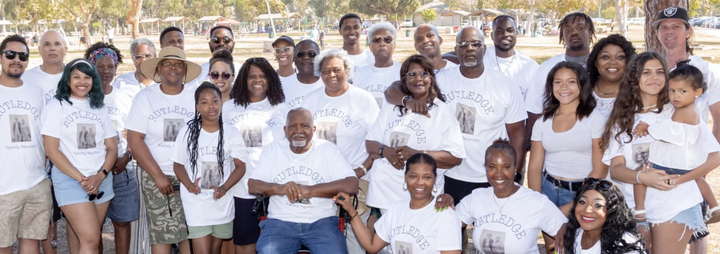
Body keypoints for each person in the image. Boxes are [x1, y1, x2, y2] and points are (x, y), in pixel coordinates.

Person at [384, 26, 527, 206]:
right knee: (453, 229)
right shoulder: (441, 80)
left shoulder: (505, 85)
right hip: (450, 174)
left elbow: (518, 136)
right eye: (463, 44)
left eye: (475, 44)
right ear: (456, 49)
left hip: (491, 175)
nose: (469, 49)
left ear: (484, 48)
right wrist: (408, 101)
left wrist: (515, 175)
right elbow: (392, 90)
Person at [247, 108, 359, 253]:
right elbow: (252, 185)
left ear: (313, 129)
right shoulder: (272, 150)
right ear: (285, 130)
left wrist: (310, 191)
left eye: (305, 126)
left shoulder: (327, 150)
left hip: (321, 221)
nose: (298, 130)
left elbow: (352, 185)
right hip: (280, 221)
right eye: (293, 126)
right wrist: (281, 188)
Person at [366, 54, 465, 216]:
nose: (418, 78)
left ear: (431, 78)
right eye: (411, 74)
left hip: (422, 195)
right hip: (385, 194)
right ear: (404, 79)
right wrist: (385, 151)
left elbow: (455, 157)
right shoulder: (392, 106)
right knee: (391, 239)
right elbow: (371, 142)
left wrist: (418, 154)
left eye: (423, 73)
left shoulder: (442, 112)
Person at [302, 48, 379, 253]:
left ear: (347, 70)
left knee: (354, 240)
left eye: (337, 69)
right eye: (326, 71)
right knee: (327, 240)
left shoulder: (363, 99)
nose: (331, 75)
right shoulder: (311, 100)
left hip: (356, 181)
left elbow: (378, 142)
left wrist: (361, 170)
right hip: (320, 183)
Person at [126, 46, 202, 254]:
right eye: (167, 64)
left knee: (191, 232)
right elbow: (135, 139)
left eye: (178, 64)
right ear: (158, 69)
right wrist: (158, 176)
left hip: (192, 175)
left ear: (185, 70)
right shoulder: (146, 98)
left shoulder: (196, 96)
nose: (173, 68)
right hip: (156, 175)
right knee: (162, 234)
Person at [527, 61, 607, 253]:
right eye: (558, 82)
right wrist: (540, 204)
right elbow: (535, 167)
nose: (564, 87)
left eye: (571, 82)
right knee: (554, 250)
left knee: (577, 248)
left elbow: (601, 169)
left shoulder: (595, 119)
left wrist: (575, 204)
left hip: (583, 193)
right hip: (548, 190)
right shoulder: (543, 122)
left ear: (581, 85)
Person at [600, 52, 676, 252]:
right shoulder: (622, 119)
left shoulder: (676, 112)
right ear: (634, 78)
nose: (654, 77)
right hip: (633, 209)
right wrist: (641, 177)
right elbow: (616, 169)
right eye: (646, 72)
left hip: (671, 206)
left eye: (660, 72)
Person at [42, 58, 118, 254]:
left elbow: (111, 147)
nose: (82, 81)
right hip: (71, 181)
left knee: (86, 237)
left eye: (87, 77)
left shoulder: (99, 106)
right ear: (67, 80)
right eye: (76, 77)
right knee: (91, 239)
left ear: (94, 80)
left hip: (101, 180)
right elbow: (51, 150)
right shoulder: (56, 106)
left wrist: (100, 176)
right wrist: (82, 179)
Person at [631, 61, 720, 224]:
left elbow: (669, 133)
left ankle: (640, 211)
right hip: (687, 164)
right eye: (672, 91)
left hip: (673, 164)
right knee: (698, 179)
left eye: (682, 91)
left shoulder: (684, 112)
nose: (676, 95)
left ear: (697, 92)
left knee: (640, 174)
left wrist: (648, 127)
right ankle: (714, 207)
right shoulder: (689, 111)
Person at [171, 82, 246, 254]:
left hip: (221, 202)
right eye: (204, 102)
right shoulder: (187, 131)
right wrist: (190, 184)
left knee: (215, 250)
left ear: (221, 103)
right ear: (197, 106)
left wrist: (224, 188)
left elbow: (240, 167)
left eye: (214, 101)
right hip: (196, 203)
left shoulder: (231, 132)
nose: (210, 106)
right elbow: (178, 164)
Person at [455, 139, 568, 253]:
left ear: (515, 168)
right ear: (486, 169)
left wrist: (566, 228)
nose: (499, 174)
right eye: (492, 167)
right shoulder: (477, 197)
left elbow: (569, 232)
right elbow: (447, 224)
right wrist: (446, 200)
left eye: (506, 167)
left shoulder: (536, 202)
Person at [335, 153, 462, 253]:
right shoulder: (397, 209)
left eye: (427, 177)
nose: (420, 182)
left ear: (435, 180)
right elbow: (372, 246)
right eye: (413, 176)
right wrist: (351, 210)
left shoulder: (444, 214)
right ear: (405, 178)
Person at [223, 57, 287, 254]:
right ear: (243, 79)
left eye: (262, 76)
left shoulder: (282, 108)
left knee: (274, 243)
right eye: (252, 76)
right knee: (244, 242)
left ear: (271, 80)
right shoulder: (228, 108)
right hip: (241, 187)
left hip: (275, 185)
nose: (257, 80)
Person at [84, 42, 141, 254]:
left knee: (122, 222)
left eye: (111, 66)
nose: (106, 71)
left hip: (122, 170)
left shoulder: (126, 97)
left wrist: (126, 156)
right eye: (100, 66)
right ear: (91, 67)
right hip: (94, 173)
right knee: (93, 227)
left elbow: (137, 133)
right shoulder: (85, 99)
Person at [0, 34, 51, 254]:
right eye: (10, 54)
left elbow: (46, 134)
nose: (16, 59)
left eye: (22, 56)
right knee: (3, 245)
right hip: (3, 187)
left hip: (36, 182)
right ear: (1, 57)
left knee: (31, 241)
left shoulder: (37, 93)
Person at [525, 12, 595, 145]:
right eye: (567, 30)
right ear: (562, 35)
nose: (573, 33)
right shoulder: (546, 69)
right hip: (557, 141)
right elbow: (534, 110)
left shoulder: (601, 66)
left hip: (596, 141)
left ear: (590, 32)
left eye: (580, 28)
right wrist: (531, 145)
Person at [562, 178, 648, 254]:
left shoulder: (625, 244)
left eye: (598, 205)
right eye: (582, 202)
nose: (587, 210)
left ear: (611, 210)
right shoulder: (573, 234)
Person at [483, 15, 539, 98]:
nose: (505, 34)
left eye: (510, 30)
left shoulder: (529, 66)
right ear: (492, 36)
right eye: (499, 31)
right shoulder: (481, 58)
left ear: (516, 33)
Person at [586, 34, 636, 118]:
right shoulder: (582, 89)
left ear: (628, 63)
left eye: (620, 57)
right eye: (605, 57)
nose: (613, 62)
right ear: (595, 62)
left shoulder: (636, 93)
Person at [352, 22, 401, 108]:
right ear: (370, 46)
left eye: (387, 40)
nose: (382, 44)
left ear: (394, 45)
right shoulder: (360, 73)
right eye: (376, 40)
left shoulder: (404, 71)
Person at [22, 30, 68, 104]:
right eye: (47, 44)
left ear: (65, 49)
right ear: (39, 49)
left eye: (57, 44)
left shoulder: (76, 74)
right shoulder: (26, 78)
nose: (52, 48)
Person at [282, 40, 323, 108]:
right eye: (301, 54)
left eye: (312, 54)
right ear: (295, 59)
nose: (306, 57)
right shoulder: (283, 87)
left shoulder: (328, 85)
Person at [338, 13, 375, 82]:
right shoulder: (333, 57)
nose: (352, 31)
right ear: (340, 31)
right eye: (347, 28)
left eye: (356, 27)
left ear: (361, 30)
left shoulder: (372, 58)